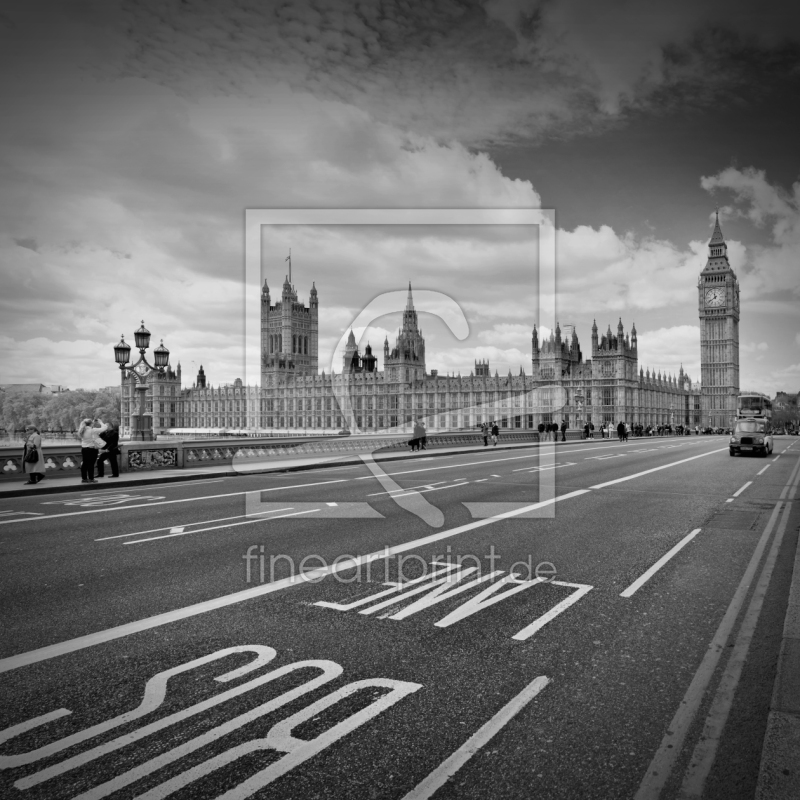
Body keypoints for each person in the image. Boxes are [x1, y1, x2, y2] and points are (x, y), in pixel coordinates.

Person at [79, 417, 107, 483]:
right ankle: (91, 478)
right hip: (92, 449)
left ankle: (84, 478)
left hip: (84, 449)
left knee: (84, 464)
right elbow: (104, 428)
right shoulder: (92, 430)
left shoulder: (82, 430)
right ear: (91, 424)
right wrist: (100, 422)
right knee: (91, 464)